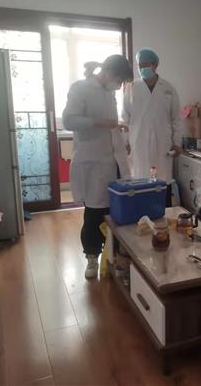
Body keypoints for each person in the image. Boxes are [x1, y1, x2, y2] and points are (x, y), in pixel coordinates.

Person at [63, 55, 133, 279]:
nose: (119, 86)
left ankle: (114, 255)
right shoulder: (80, 88)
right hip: (92, 163)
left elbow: (111, 126)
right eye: (119, 80)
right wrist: (101, 123)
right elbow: (69, 121)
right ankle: (92, 257)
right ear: (110, 72)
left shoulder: (109, 93)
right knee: (94, 213)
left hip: (114, 160)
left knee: (117, 210)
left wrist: (119, 136)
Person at [123, 48, 183, 205]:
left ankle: (164, 212)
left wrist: (177, 143)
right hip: (138, 142)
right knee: (140, 180)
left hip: (162, 143)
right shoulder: (132, 88)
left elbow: (176, 119)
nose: (142, 68)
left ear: (155, 65)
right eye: (140, 65)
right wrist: (125, 141)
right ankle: (141, 214)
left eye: (146, 65)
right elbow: (125, 118)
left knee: (162, 180)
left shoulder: (168, 88)